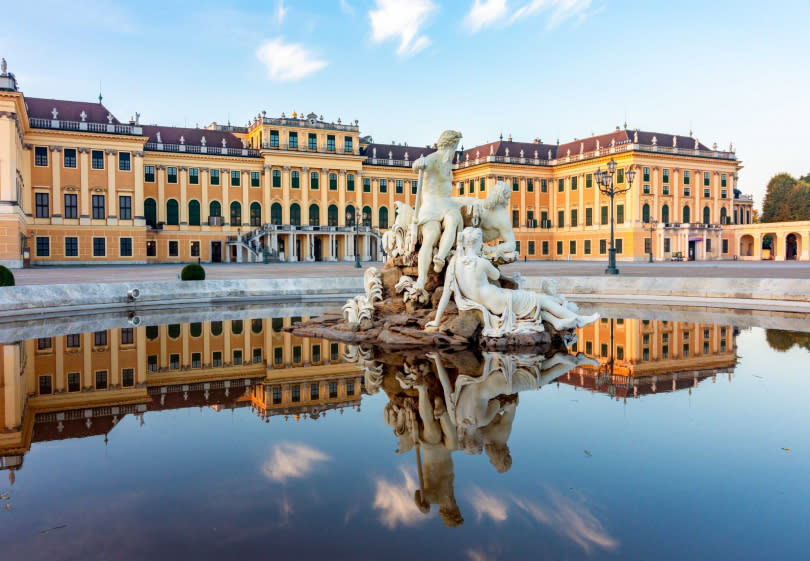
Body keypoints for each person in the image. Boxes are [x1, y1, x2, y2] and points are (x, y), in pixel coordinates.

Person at [408, 130, 463, 294]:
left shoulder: (448, 164)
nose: (455, 151)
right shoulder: (433, 159)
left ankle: (440, 257)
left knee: (453, 220)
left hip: (446, 205)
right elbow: (418, 165)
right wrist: (418, 163)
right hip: (431, 207)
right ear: (449, 145)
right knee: (431, 235)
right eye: (455, 147)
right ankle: (422, 278)